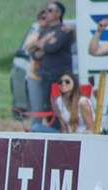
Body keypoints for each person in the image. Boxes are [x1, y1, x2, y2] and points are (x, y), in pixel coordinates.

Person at [31, 2, 73, 130]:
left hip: (59, 77)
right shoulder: (46, 31)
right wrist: (45, 44)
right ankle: (53, 133)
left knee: (58, 108)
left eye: (49, 10)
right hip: (46, 76)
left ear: (58, 13)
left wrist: (41, 45)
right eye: (46, 10)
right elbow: (34, 53)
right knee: (48, 108)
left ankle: (61, 133)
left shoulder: (63, 30)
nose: (46, 13)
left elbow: (52, 47)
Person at [25, 10, 48, 128]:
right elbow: (29, 48)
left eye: (46, 18)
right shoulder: (34, 35)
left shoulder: (57, 33)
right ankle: (36, 130)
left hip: (52, 77)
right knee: (37, 109)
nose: (44, 20)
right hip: (35, 76)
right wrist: (46, 39)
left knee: (53, 108)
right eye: (41, 18)